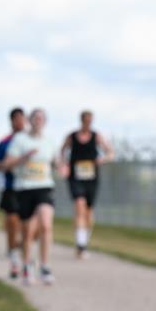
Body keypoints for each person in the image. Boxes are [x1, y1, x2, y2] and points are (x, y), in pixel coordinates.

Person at [3, 108, 58, 285]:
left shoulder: (49, 141)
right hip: (25, 188)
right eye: (35, 118)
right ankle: (27, 265)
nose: (38, 121)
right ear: (30, 120)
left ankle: (45, 266)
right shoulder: (20, 140)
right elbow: (7, 164)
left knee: (46, 224)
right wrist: (23, 159)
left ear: (45, 122)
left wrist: (62, 168)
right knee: (27, 231)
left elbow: (56, 162)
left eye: (42, 118)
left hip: (44, 187)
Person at [59, 110, 115, 258]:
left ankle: (83, 241)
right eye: (85, 120)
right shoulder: (71, 137)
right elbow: (62, 152)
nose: (88, 123)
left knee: (88, 213)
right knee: (79, 206)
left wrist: (102, 160)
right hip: (75, 177)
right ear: (81, 120)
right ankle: (80, 246)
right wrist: (64, 165)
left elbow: (110, 152)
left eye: (90, 121)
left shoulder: (96, 136)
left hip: (91, 178)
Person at [0, 108, 26, 278]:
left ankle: (18, 242)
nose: (20, 122)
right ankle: (13, 250)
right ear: (11, 121)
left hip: (30, 187)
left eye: (22, 119)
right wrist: (7, 164)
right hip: (11, 185)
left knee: (28, 223)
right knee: (12, 218)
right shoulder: (5, 142)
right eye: (16, 119)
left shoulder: (32, 141)